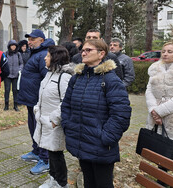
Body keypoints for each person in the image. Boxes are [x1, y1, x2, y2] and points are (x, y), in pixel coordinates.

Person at [61, 39, 131, 187]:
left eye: (88, 50)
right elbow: (66, 105)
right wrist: (68, 126)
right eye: (83, 50)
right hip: (81, 140)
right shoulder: (77, 78)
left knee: (103, 184)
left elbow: (121, 114)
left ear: (101, 54)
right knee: (88, 182)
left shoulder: (111, 80)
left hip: (101, 145)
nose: (83, 53)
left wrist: (105, 137)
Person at [34, 46, 74, 188]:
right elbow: (42, 93)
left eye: (48, 56)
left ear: (55, 58)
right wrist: (37, 109)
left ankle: (62, 183)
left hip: (54, 124)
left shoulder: (64, 77)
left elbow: (66, 101)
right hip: (44, 121)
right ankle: (53, 178)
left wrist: (54, 120)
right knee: (50, 152)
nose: (45, 58)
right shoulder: (49, 74)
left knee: (56, 154)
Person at [17, 29, 55, 175]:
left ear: (41, 40)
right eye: (29, 39)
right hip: (30, 99)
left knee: (41, 129)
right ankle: (36, 151)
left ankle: (45, 159)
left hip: (38, 101)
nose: (29, 42)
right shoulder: (35, 53)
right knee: (33, 127)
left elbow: (46, 79)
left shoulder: (43, 55)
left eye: (32, 39)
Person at [145, 41, 173, 164]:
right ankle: (161, 179)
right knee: (161, 150)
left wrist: (159, 111)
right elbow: (149, 90)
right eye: (163, 51)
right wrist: (153, 110)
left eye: (170, 52)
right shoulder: (155, 69)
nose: (165, 54)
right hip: (156, 116)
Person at [4, 40, 23, 111]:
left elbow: (21, 63)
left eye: (15, 45)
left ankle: (15, 105)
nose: (13, 47)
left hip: (15, 75)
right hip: (7, 76)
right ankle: (6, 105)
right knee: (7, 90)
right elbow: (3, 63)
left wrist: (19, 69)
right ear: (9, 46)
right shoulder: (5, 54)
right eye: (12, 45)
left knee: (15, 91)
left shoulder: (18, 54)